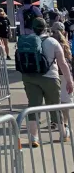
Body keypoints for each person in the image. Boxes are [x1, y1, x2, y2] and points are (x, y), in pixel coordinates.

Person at [20, 17, 74, 146]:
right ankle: (63, 133)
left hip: (29, 77)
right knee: (55, 106)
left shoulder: (25, 41)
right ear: (46, 28)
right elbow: (62, 63)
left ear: (32, 28)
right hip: (50, 78)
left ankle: (34, 137)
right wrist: (69, 80)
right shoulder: (52, 42)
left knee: (33, 106)